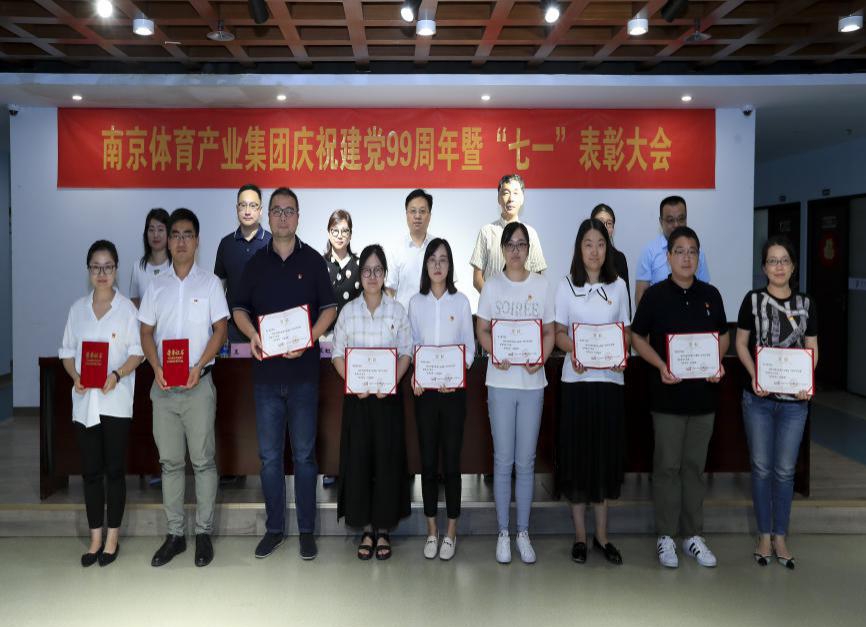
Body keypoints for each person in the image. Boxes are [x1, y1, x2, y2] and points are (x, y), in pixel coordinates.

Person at [233, 187, 337, 561]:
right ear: (268, 216)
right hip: (266, 378)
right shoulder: (255, 263)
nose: (282, 217)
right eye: (276, 210)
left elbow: (329, 309)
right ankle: (275, 529)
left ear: (297, 217)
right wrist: (252, 334)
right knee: (269, 458)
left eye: (288, 211)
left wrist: (309, 337)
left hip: (304, 377)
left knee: (306, 457)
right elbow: (239, 309)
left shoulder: (313, 261)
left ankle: (306, 530)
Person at [631, 226, 729, 569]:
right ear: (668, 257)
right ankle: (666, 536)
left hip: (703, 398)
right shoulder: (655, 296)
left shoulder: (711, 295)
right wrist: (660, 365)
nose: (687, 258)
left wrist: (716, 361)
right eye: (680, 251)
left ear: (698, 257)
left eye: (692, 252)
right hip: (667, 399)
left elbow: (723, 335)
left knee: (694, 468)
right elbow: (637, 337)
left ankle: (692, 535)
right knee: (668, 468)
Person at [139, 208, 229, 568]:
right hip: (163, 389)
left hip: (198, 386)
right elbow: (146, 332)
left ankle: (203, 534)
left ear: (197, 240)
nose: (180, 241)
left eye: (187, 234)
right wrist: (156, 366)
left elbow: (220, 330)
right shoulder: (156, 285)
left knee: (203, 462)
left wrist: (197, 365)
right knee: (170, 464)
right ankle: (175, 535)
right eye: (174, 234)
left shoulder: (210, 284)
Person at [735, 235, 818, 570]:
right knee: (761, 468)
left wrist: (806, 382)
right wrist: (755, 375)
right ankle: (763, 535)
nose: (779, 266)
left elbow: (812, 348)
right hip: (758, 399)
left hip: (795, 403)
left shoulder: (806, 303)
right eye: (772, 261)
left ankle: (780, 535)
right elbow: (741, 344)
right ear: (764, 267)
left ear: (793, 266)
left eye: (784, 260)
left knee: (784, 471)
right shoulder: (752, 300)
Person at [59, 240, 143, 567]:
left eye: (108, 267)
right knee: (91, 473)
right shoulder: (77, 310)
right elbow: (67, 352)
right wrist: (75, 375)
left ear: (116, 270)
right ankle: (95, 538)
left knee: (115, 471)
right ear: (88, 271)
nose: (102, 273)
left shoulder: (127, 310)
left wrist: (117, 374)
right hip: (85, 403)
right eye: (96, 267)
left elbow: (138, 353)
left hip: (115, 402)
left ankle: (112, 539)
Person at [476, 222, 555, 565]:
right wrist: (495, 350)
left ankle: (523, 531)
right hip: (501, 383)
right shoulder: (492, 285)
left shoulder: (542, 285)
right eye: (510, 244)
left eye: (522, 244)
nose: (516, 250)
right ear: (503, 249)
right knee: (503, 460)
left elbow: (549, 332)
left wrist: (542, 357)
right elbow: (482, 329)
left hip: (532, 384)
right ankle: (503, 532)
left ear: (528, 250)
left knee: (526, 462)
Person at [553, 218, 629, 565]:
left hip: (609, 383)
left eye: (600, 244)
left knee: (603, 458)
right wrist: (576, 351)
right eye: (588, 244)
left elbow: (624, 334)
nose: (595, 251)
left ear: (607, 248)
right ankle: (581, 537)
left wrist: (621, 355)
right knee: (579, 458)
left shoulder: (619, 286)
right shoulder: (566, 286)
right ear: (579, 249)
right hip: (577, 383)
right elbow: (559, 333)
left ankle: (603, 536)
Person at [332, 244, 412, 561]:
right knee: (360, 462)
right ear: (360, 275)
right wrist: (353, 380)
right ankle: (366, 529)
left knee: (387, 464)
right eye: (367, 270)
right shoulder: (348, 312)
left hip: (387, 401)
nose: (372, 276)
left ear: (385, 274)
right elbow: (337, 355)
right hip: (358, 402)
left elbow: (405, 353)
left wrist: (391, 379)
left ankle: (384, 529)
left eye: (378, 270)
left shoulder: (397, 311)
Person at [408, 238, 475, 561]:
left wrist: (457, 373)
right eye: (432, 259)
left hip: (452, 395)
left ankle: (451, 532)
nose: (437, 265)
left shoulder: (460, 302)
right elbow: (411, 346)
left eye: (443, 260)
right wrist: (415, 376)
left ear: (450, 266)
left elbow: (470, 350)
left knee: (451, 464)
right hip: (425, 395)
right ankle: (431, 530)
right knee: (428, 464)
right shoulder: (415, 302)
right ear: (426, 265)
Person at [321, 209, 361, 488]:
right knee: (329, 408)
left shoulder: (359, 265)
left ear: (351, 234)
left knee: (352, 409)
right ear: (328, 232)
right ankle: (331, 466)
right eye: (335, 231)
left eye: (344, 231)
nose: (340, 236)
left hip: (354, 345)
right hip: (324, 344)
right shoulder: (319, 264)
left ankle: (351, 463)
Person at [214, 183, 271, 345]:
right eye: (243, 205)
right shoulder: (226, 244)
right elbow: (219, 289)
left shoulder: (272, 243)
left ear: (260, 210)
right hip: (232, 331)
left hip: (267, 329)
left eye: (253, 206)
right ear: (237, 208)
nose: (247, 211)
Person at [470, 174, 547, 294]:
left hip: (523, 303)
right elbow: (477, 278)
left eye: (516, 193)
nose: (511, 198)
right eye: (506, 193)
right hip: (492, 304)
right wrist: (492, 299)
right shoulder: (486, 232)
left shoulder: (531, 233)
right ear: (498, 198)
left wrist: (524, 300)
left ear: (522, 199)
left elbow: (538, 276)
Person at [635, 196, 709, 306]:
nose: (676, 225)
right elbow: (641, 295)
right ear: (661, 222)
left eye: (681, 219)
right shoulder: (649, 252)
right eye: (670, 220)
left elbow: (705, 290)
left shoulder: (697, 252)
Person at [386, 189, 436, 310]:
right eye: (413, 211)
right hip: (404, 319)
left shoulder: (439, 247)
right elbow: (389, 290)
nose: (417, 216)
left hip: (434, 318)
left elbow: (449, 285)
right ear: (406, 215)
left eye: (422, 211)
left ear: (429, 216)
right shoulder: (396, 249)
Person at [590, 203, 631, 315]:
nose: (604, 227)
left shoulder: (619, 258)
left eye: (609, 223)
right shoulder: (583, 256)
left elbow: (626, 304)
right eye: (600, 222)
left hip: (612, 320)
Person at [129, 208, 171, 307]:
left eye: (160, 230)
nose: (155, 235)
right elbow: (134, 302)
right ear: (146, 234)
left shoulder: (176, 266)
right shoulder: (138, 267)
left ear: (169, 233)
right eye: (151, 230)